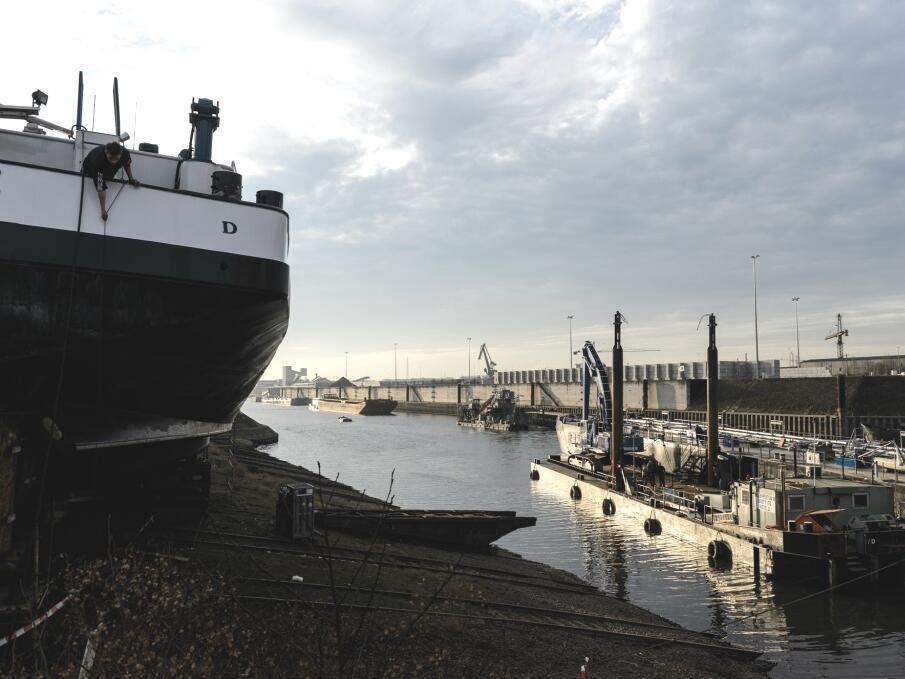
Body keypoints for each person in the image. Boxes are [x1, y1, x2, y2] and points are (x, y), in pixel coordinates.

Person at [82, 141, 140, 221]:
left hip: (109, 172)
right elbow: (100, 188)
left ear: (121, 153)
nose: (113, 161)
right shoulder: (98, 160)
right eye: (111, 158)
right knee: (98, 179)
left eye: (116, 159)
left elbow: (127, 165)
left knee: (109, 174)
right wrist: (103, 210)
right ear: (106, 152)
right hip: (89, 170)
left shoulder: (125, 154)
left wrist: (131, 179)